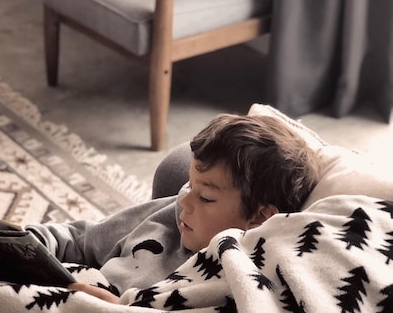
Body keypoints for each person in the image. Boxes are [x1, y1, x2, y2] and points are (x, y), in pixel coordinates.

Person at [27, 113, 321, 302]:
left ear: (259, 217)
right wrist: (26, 242)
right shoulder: (171, 215)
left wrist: (119, 312)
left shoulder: (234, 281)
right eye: (190, 186)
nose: (184, 202)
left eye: (205, 197)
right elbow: (80, 241)